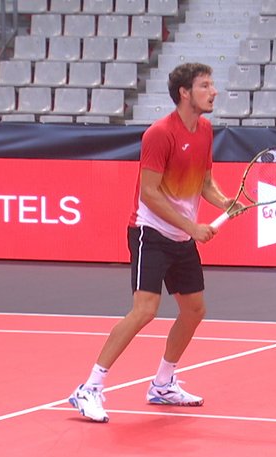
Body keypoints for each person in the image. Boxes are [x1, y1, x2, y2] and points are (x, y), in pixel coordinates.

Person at [68, 63, 240, 423]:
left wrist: (224, 202)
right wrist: (193, 227)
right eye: (205, 85)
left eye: (212, 84)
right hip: (151, 232)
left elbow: (205, 181)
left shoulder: (206, 130)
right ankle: (90, 387)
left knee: (194, 311)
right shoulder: (160, 134)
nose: (214, 91)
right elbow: (149, 194)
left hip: (181, 234)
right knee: (145, 310)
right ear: (184, 93)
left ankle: (162, 384)